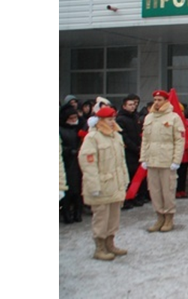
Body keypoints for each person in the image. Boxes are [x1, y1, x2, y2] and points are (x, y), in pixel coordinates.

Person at [77, 106, 130, 261]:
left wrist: (125, 179)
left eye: (113, 119)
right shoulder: (92, 137)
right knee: (101, 218)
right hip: (101, 185)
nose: (112, 122)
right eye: (109, 119)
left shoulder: (116, 136)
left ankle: (110, 243)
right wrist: (93, 186)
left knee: (113, 217)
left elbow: (121, 162)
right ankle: (99, 247)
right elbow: (88, 163)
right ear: (100, 121)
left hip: (115, 184)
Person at [139, 90, 185, 233]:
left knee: (168, 190)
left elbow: (179, 140)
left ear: (166, 101)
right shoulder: (149, 118)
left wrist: (176, 160)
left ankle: (169, 218)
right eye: (155, 100)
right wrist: (143, 158)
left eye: (160, 99)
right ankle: (159, 216)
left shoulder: (174, 118)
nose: (157, 102)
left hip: (167, 160)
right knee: (154, 191)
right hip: (152, 160)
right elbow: (145, 140)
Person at [116, 94, 143, 209]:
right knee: (127, 177)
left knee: (136, 177)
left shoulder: (136, 117)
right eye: (130, 105)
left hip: (137, 151)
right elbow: (124, 136)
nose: (133, 107)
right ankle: (126, 200)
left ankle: (135, 197)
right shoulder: (120, 119)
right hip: (128, 152)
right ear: (124, 106)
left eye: (134, 104)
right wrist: (135, 148)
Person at [58, 105, 84, 223]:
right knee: (68, 189)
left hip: (78, 162)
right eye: (71, 118)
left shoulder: (79, 128)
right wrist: (68, 150)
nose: (74, 120)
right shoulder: (60, 130)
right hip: (67, 163)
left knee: (79, 189)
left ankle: (78, 213)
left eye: (75, 117)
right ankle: (66, 214)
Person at [175, 103, 188, 199]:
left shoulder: (187, 123)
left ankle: (182, 190)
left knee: (183, 173)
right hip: (175, 154)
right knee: (175, 174)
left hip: (186, 153)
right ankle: (175, 191)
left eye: (182, 111)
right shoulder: (173, 123)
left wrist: (187, 143)